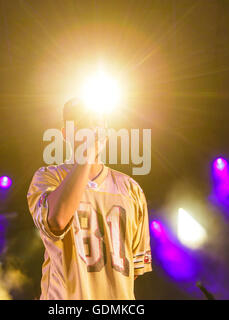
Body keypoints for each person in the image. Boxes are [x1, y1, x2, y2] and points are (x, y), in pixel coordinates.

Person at [27, 97, 152, 299]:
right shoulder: (48, 177)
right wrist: (87, 154)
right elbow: (56, 221)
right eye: (82, 124)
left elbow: (133, 269)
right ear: (65, 134)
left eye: (97, 123)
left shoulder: (131, 189)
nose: (91, 130)